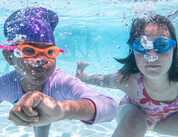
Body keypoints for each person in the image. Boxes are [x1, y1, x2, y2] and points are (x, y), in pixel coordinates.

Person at [0, 7, 117, 137]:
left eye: (50, 52)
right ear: (9, 56)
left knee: (45, 114)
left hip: (56, 103)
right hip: (46, 113)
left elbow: (110, 107)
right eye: (29, 50)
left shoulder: (60, 82)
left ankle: (80, 73)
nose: (42, 60)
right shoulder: (4, 84)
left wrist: (63, 109)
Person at [76, 14, 178, 137]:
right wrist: (82, 77)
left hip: (169, 122)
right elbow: (103, 80)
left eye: (162, 45)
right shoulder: (129, 80)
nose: (151, 56)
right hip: (134, 113)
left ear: (175, 48)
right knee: (135, 122)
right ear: (133, 50)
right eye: (142, 46)